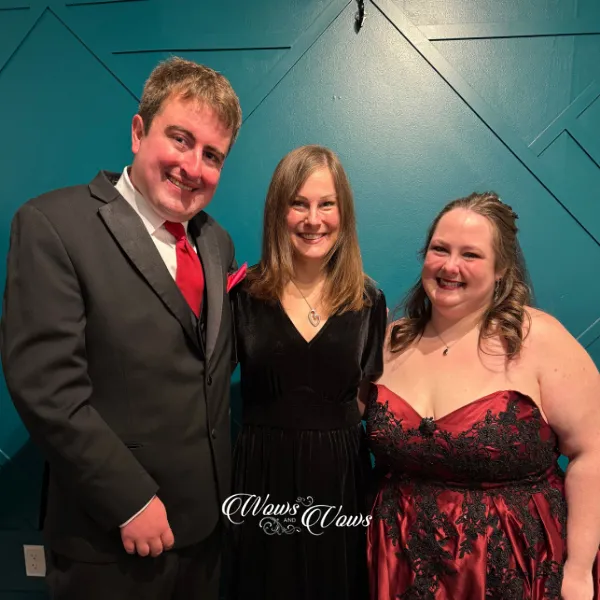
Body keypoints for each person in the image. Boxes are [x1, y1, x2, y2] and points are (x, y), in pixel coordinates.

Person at [1, 57, 242, 600]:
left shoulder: (215, 241)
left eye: (212, 155)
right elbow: (46, 388)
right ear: (138, 132)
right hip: (110, 540)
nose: (193, 166)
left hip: (205, 535)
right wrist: (128, 500)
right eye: (180, 139)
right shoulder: (53, 225)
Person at [365, 191, 600, 600]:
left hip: (518, 569)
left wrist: (579, 568)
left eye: (470, 254)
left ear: (501, 269)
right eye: (440, 249)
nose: (450, 266)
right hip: (398, 566)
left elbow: (592, 452)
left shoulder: (539, 339)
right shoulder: (389, 341)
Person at [227, 145, 387, 600]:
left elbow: (367, 394)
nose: (313, 220)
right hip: (261, 475)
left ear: (343, 212)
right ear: (278, 211)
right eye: (298, 203)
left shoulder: (368, 300)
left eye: (326, 204)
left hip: (340, 480)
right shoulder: (244, 294)